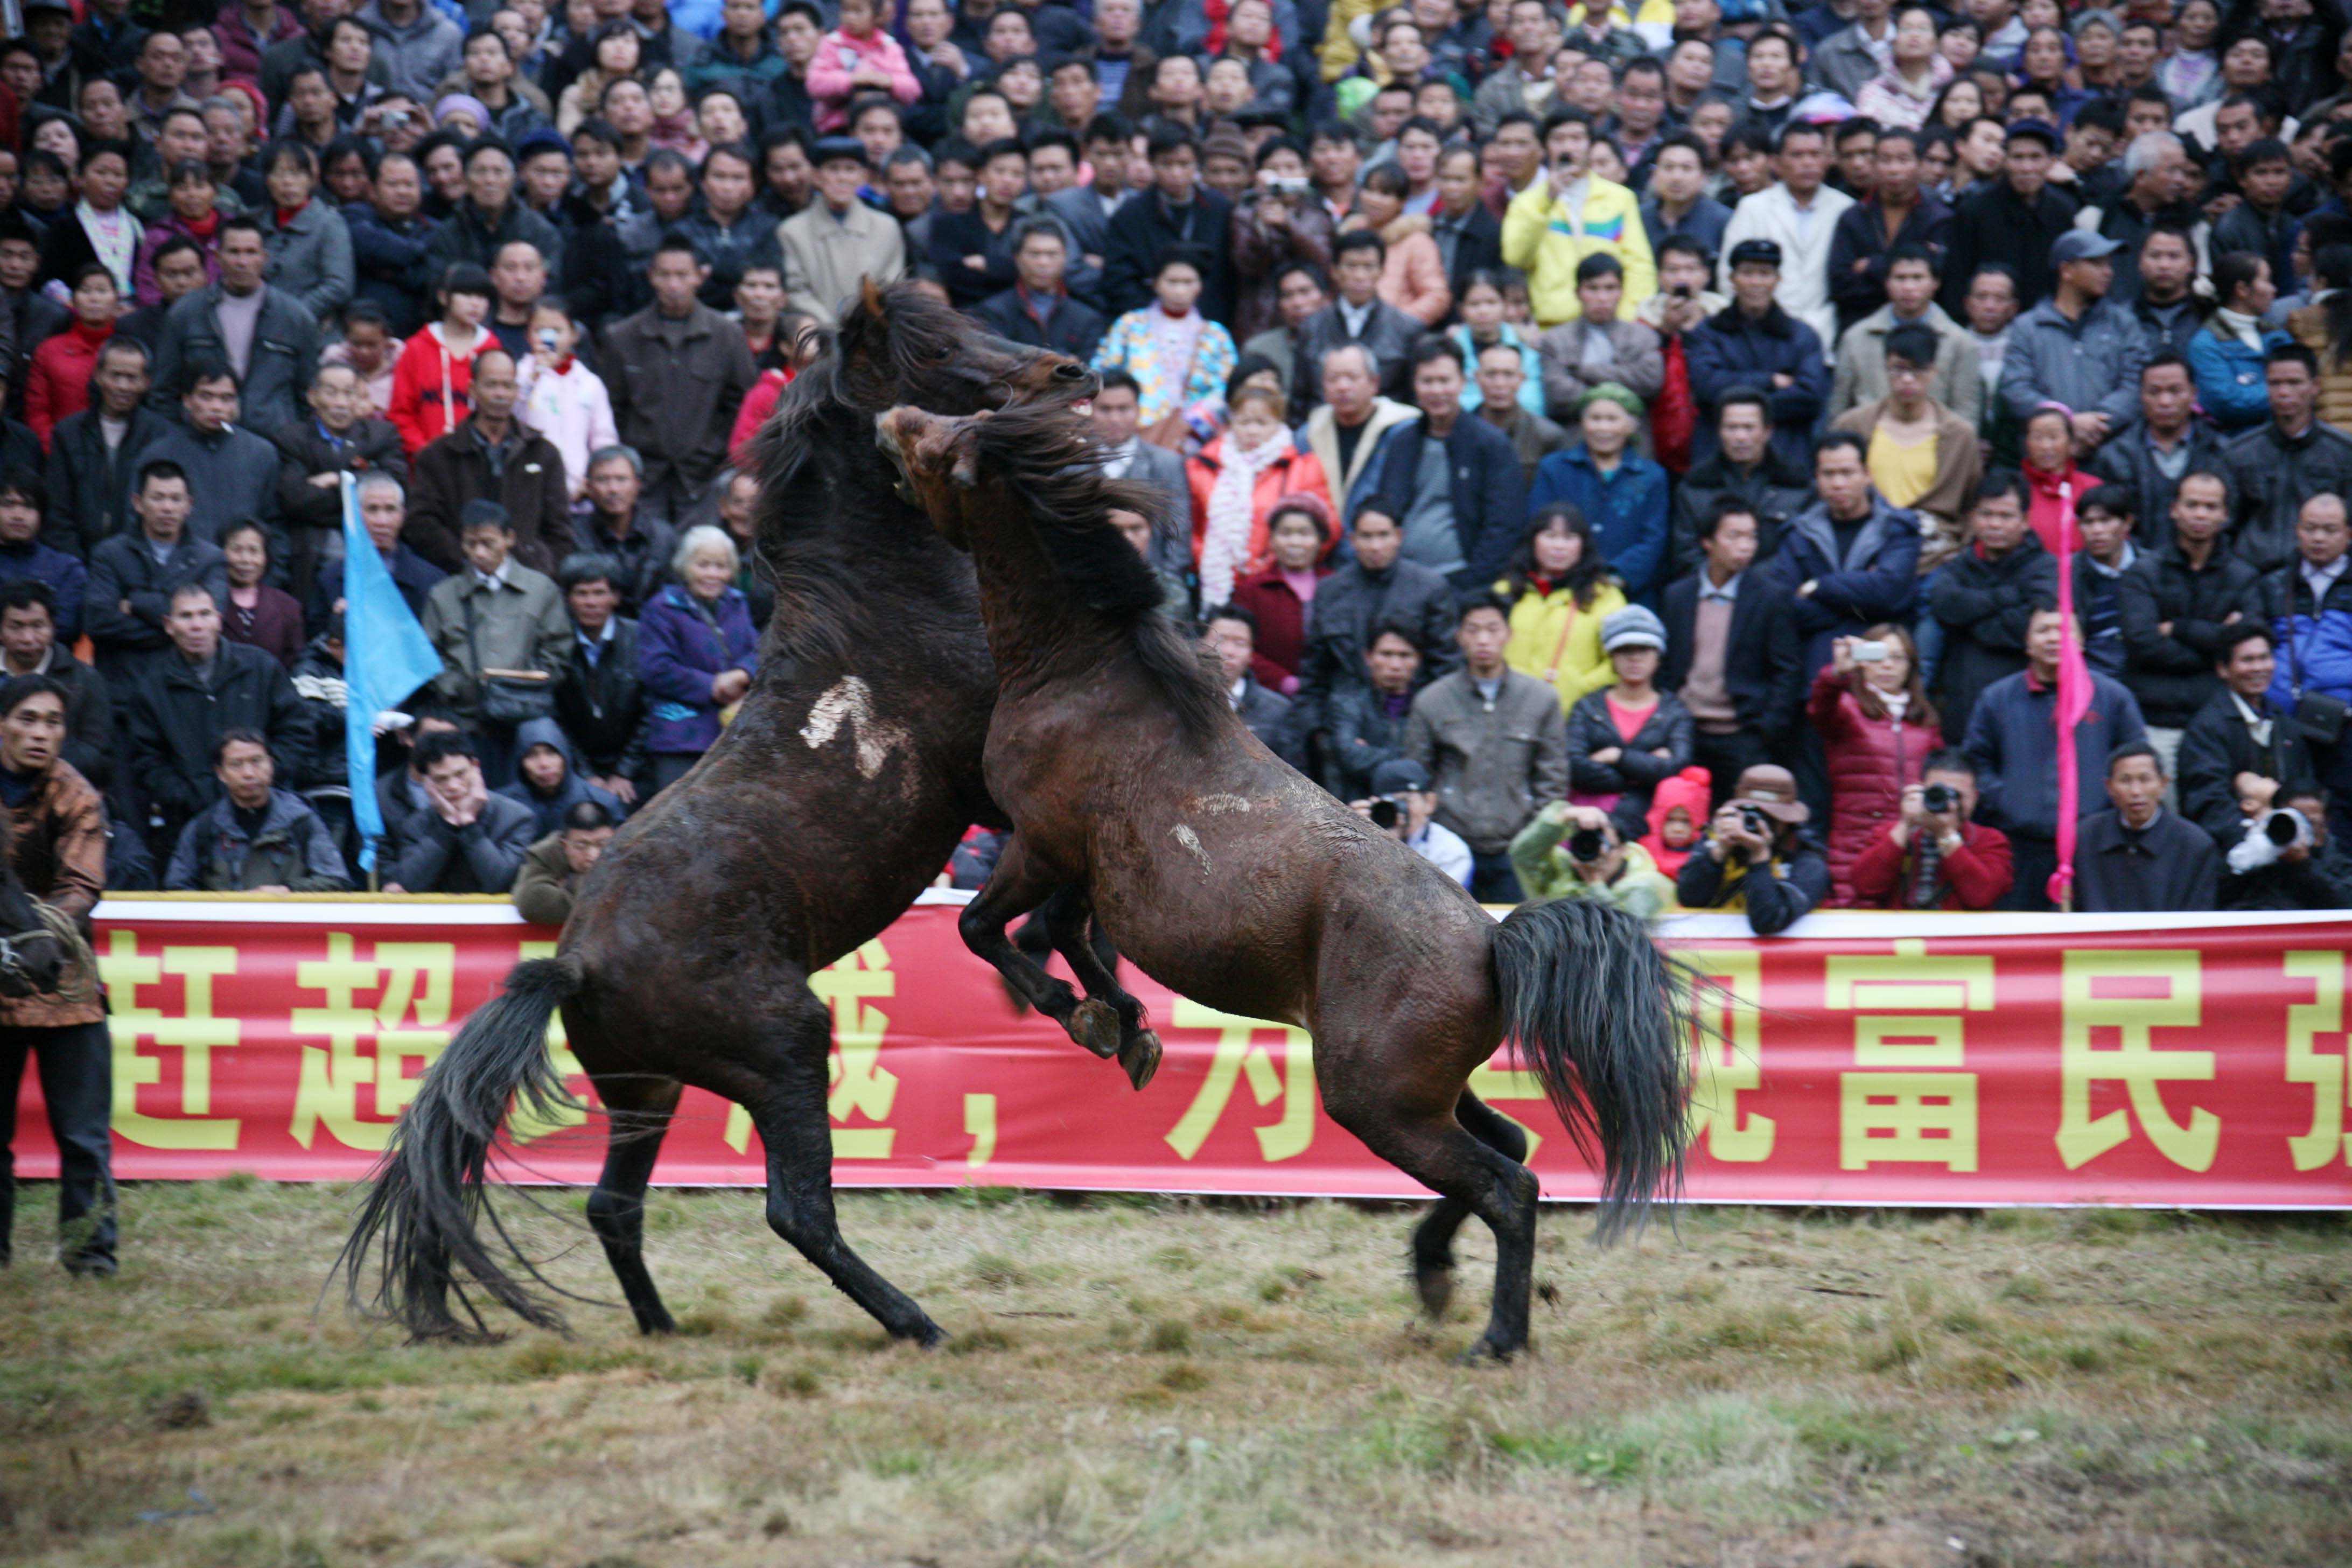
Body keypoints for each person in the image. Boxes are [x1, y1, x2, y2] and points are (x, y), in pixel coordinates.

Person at [0, 674, 113, 1278]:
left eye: (52, 723)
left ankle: (91, 1255)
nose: (41, 733)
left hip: (64, 982)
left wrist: (35, 937)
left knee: (83, 1136)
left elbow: (81, 885)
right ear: (1, 722)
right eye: (27, 719)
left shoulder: (77, 794)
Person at [1964, 603, 2150, 908]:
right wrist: (2006, 799)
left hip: (2094, 846)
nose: (2054, 638)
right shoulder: (1997, 699)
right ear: (2027, 643)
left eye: (2064, 631)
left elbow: (2136, 758)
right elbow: (1976, 762)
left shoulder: (2111, 697)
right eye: (2043, 630)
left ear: (2082, 640)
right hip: (2019, 847)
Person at [121, 582, 309, 859]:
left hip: (270, 819)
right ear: (168, 625)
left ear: (219, 621)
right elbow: (145, 760)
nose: (197, 625)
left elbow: (298, 732)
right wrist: (188, 795)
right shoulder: (151, 687)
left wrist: (261, 779)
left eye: (205, 614)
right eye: (186, 616)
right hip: (190, 827)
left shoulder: (262, 667)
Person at [1403, 591, 1569, 902]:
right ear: (1459, 637)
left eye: (1492, 629)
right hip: (1450, 846)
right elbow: (1418, 775)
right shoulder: (1432, 700)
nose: (1483, 640)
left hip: (1518, 845)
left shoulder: (1540, 699)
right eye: (1473, 629)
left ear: (1509, 634)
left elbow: (1552, 779)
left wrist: (1534, 840)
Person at [2117, 468, 2263, 778]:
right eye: (2192, 505)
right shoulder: (2143, 573)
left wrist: (2180, 629)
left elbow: (2247, 643)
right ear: (2175, 509)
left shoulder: (2244, 576)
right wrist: (2216, 645)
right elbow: (2142, 642)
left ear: (2225, 514)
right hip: (2153, 719)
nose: (2201, 514)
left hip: (2218, 721)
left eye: (2210, 507)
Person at [601, 239, 759, 526]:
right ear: (651, 277)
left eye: (682, 275)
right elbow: (612, 409)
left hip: (705, 475)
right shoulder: (623, 337)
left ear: (701, 276)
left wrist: (716, 450)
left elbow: (742, 404)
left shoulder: (727, 336)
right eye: (665, 275)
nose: (673, 284)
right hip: (643, 477)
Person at [418, 499, 569, 787]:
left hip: (526, 722)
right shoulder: (444, 596)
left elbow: (558, 651)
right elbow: (430, 657)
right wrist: (459, 687)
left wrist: (522, 688)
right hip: (467, 722)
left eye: (488, 543)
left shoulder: (540, 590)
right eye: (470, 544)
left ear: (509, 539)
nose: (479, 553)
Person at [1364, 337, 1526, 591]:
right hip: (1401, 579)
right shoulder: (1402, 442)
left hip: (1462, 581)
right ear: (1415, 386)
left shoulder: (1490, 445)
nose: (1437, 391)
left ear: (1462, 382)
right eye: (1427, 381)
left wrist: (1473, 581)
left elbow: (1504, 524)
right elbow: (1387, 508)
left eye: (1444, 380)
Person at [405, 346, 570, 576]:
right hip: (459, 581)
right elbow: (422, 524)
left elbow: (559, 529)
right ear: (473, 390)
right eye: (492, 385)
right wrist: (468, 560)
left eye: (508, 385)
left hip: (529, 586)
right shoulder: (438, 456)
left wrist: (537, 570)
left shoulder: (544, 454)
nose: (500, 394)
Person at [151, 214, 319, 438]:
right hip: (200, 439)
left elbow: (308, 397)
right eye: (234, 252)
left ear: (265, 257)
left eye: (251, 253)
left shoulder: (296, 318)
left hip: (274, 443)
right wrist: (180, 438)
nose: (242, 262)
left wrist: (295, 443)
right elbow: (163, 391)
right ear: (218, 257)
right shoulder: (186, 313)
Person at [1830, 320, 1982, 566]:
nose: (1908, 380)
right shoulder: (1853, 426)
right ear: (1885, 369)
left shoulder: (1959, 436)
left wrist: (1962, 552)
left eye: (1918, 370)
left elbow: (1972, 505)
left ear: (1934, 371)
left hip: (1935, 554)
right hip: (1864, 549)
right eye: (1898, 370)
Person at [1810, 627, 1940, 905]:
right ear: (1862, 661)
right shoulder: (1846, 708)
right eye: (1878, 656)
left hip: (1914, 844)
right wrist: (1836, 673)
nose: (1888, 665)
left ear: (1910, 667)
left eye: (1898, 658)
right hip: (1856, 841)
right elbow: (1819, 708)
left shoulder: (1926, 719)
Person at [1777, 431, 1923, 678]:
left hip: (1879, 655)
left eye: (1847, 473)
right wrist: (1860, 599)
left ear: (1867, 475)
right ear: (1816, 477)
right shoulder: (1799, 533)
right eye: (1828, 474)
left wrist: (1818, 587)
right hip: (1815, 654)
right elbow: (1785, 605)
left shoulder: (1898, 529)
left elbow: (1888, 594)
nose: (1838, 484)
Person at [1500, 106, 1655, 330]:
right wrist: (1547, 200)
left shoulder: (1621, 198)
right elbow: (1516, 257)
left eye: (1577, 138)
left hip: (1614, 323)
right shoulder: (1526, 203)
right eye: (1558, 139)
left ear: (1591, 146)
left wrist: (1629, 318)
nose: (1568, 147)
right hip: (1553, 325)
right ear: (1545, 148)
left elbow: (1639, 265)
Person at [1930, 470, 2055, 741]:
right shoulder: (1960, 565)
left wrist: (1971, 622)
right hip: (1961, 708)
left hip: (2025, 709)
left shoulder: (2045, 567)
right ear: (1973, 518)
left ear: (2025, 521)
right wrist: (2007, 598)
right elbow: (1945, 605)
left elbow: (2030, 625)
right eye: (1986, 515)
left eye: (2006, 516)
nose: (1995, 524)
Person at [1685, 238, 1830, 471]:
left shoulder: (1802, 336)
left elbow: (1810, 397)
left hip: (1787, 455)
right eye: (1747, 273)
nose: (1756, 282)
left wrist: (1737, 403)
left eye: (1765, 274)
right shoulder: (1709, 332)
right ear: (1733, 280)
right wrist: (1769, 380)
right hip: (1717, 456)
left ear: (1778, 280)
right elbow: (1707, 385)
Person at [1997, 230, 2146, 452]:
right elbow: (2016, 389)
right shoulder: (2027, 327)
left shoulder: (2124, 324)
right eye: (2096, 264)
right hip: (2047, 454)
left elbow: (2136, 384)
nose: (2108, 272)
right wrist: (2066, 422)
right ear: (2067, 270)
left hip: (2114, 451)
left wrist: (2096, 424)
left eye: (2109, 264)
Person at [271, 360, 407, 603]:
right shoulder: (291, 439)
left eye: (349, 393)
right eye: (331, 393)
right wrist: (359, 496)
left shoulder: (382, 436)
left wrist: (340, 480)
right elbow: (295, 500)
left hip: (372, 551)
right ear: (313, 397)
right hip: (314, 558)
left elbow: (395, 485)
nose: (341, 403)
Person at [84, 459, 230, 683]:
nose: (167, 508)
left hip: (185, 684)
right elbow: (98, 622)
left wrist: (136, 604)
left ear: (189, 505)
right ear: (138, 503)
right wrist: (175, 627)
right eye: (158, 498)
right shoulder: (110, 554)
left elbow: (207, 626)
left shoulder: (210, 559)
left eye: (175, 499)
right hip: (122, 684)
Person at [636, 524, 757, 794]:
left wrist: (742, 675)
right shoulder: (662, 607)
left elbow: (757, 650)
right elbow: (656, 669)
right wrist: (712, 685)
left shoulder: (737, 603)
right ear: (685, 566)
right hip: (680, 737)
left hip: (734, 733)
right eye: (703, 565)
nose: (713, 574)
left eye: (721, 566)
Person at [2178, 622, 2317, 855]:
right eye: (2248, 660)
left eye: (2264, 658)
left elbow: (2306, 791)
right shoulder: (2207, 729)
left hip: (2291, 850)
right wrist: (2259, 842)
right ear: (2223, 669)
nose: (2259, 668)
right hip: (2233, 856)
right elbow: (2207, 804)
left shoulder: (2286, 725)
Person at [1187, 384, 1330, 610]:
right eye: (1244, 422)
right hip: (1213, 582)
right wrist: (1204, 558)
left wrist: (1269, 566)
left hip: (1276, 584)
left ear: (1279, 424)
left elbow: (1326, 527)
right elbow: (1190, 527)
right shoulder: (1201, 466)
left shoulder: (1303, 466)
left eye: (1262, 423)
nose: (1252, 431)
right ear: (1231, 423)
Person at [1716, 121, 1854, 348]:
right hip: (1760, 336)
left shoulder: (1846, 209)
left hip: (1827, 334)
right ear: (1777, 163)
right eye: (1797, 155)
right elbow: (1728, 276)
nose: (1808, 163)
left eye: (1815, 155)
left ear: (1828, 160)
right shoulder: (1753, 208)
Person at [1564, 605, 1692, 842]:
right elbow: (1574, 766)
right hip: (1587, 817)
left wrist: (1616, 757)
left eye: (1644, 649)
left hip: (1652, 825)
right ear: (1611, 657)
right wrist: (1645, 773)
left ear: (1657, 656)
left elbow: (1676, 769)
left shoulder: (1675, 712)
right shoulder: (1587, 707)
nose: (1634, 658)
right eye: (1624, 650)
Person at [163, 728, 349, 890]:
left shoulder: (301, 821)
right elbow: (178, 887)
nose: (249, 773)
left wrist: (289, 891)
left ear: (271, 764)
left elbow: (336, 880)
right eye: (236, 765)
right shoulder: (204, 827)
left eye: (256, 761)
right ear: (221, 773)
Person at [2224, 344, 2352, 575]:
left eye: (2294, 383)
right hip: (2254, 576)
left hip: (2325, 577)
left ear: (2315, 386)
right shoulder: (2239, 454)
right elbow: (2225, 527)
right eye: (2275, 384)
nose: (2284, 393)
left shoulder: (2344, 452)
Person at [2088, 354, 2232, 544]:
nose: (2165, 401)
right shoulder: (2115, 455)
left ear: (2194, 394)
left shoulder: (2221, 451)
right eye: (2154, 392)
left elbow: (2231, 520)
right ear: (2141, 396)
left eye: (2175, 391)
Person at [1940, 118, 2079, 317]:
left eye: (2035, 158)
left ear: (2051, 162)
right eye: (2018, 157)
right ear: (2005, 161)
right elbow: (1956, 280)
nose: (2026, 168)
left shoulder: (2063, 211)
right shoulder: (1974, 211)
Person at [1829, 245, 1982, 426]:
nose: (1909, 287)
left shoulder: (1961, 343)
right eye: (1900, 278)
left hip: (1936, 444)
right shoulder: (1856, 338)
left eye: (1918, 278)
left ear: (1935, 283)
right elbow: (1838, 409)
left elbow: (1966, 413)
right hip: (1870, 443)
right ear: (1887, 282)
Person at [46, 337, 171, 557]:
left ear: (146, 382)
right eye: (115, 376)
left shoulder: (160, 435)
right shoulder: (68, 433)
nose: (123, 386)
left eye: (132, 378)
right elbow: (57, 513)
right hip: (77, 562)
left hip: (139, 562)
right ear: (98, 376)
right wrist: (77, 565)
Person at [1497, 505, 1628, 716]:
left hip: (1574, 715)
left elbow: (1618, 659)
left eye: (1569, 538)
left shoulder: (1605, 596)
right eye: (1550, 536)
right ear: (1533, 541)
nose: (1559, 546)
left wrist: (1579, 688)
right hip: (1506, 712)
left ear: (1583, 545)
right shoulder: (1505, 591)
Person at [1672, 761, 1830, 934]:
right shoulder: (1719, 841)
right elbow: (1690, 899)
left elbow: (1768, 922)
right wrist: (1718, 852)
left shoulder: (1808, 862)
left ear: (1788, 821)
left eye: (1771, 817)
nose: (1758, 823)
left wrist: (1759, 856)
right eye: (1751, 815)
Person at [1847, 746, 2015, 908]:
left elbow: (1981, 897)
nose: (1950, 804)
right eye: (1938, 793)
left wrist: (1946, 836)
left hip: (1956, 934)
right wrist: (1905, 825)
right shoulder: (1892, 832)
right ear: (1921, 790)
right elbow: (1865, 887)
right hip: (1899, 932)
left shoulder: (1990, 841)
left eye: (1957, 796)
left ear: (1975, 798)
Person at [144, 358, 283, 552]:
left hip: (241, 573)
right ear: (187, 400)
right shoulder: (160, 453)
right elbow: (139, 520)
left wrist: (271, 577)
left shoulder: (261, 454)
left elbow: (275, 525)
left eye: (226, 398)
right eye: (206, 397)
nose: (216, 407)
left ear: (237, 404)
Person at [380, 727, 537, 893]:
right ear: (427, 783)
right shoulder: (417, 826)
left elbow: (502, 883)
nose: (453, 786)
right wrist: (446, 829)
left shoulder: (517, 818)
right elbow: (407, 885)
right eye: (441, 779)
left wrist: (469, 825)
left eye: (460, 774)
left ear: (476, 767)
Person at [2074, 741, 2220, 912]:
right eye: (2125, 780)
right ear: (2109, 787)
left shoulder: (2195, 846)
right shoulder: (2085, 838)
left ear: (2163, 784)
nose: (2136, 791)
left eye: (2145, 780)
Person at [778, 137, 905, 328]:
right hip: (819, 333)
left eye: (850, 169)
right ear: (817, 177)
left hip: (872, 333)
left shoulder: (886, 228)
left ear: (864, 177)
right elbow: (796, 291)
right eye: (833, 169)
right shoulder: (791, 231)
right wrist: (831, 326)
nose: (842, 178)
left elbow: (891, 286)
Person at [0, 580, 113, 791]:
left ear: (53, 628)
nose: (27, 638)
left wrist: (36, 758)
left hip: (61, 794)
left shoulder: (85, 679)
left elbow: (98, 755)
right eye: (16, 627)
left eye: (38, 626)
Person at [1534, 253, 1665, 423]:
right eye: (1593, 289)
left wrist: (1585, 371)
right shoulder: (1556, 340)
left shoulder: (1643, 337)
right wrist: (1617, 394)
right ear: (1578, 292)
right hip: (1575, 431)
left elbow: (1650, 382)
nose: (1602, 298)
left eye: (1610, 288)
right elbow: (1558, 394)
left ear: (1621, 292)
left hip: (1632, 434)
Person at [1226, 498, 1336, 697]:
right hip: (1270, 696)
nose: (1295, 542)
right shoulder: (1252, 590)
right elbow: (1241, 645)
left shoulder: (1337, 585)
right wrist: (1284, 681)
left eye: (1304, 534)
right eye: (1285, 533)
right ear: (1272, 540)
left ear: (1320, 540)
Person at [1090, 371, 1193, 579]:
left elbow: (1178, 534)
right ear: (1091, 410)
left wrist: (1166, 586)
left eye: (1124, 409)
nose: (1115, 419)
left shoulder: (1166, 464)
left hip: (1153, 584)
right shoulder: (1073, 466)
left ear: (1138, 410)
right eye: (1105, 409)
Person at [387, 258, 493, 456]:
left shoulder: (492, 349)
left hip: (480, 465)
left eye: (482, 296)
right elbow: (401, 414)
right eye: (467, 294)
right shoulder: (416, 348)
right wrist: (425, 453)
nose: (476, 303)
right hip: (425, 467)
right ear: (444, 297)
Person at [1508, 797, 1678, 915]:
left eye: (1606, 846)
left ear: (1624, 850)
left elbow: (1627, 934)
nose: (1599, 855)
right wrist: (1564, 815)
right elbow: (1521, 855)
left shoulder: (1646, 884)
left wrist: (1595, 885)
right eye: (1589, 845)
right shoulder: (1561, 870)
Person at [1299, 344, 1417, 508]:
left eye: (1352, 378)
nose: (1342, 387)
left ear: (1374, 383)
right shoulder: (1307, 436)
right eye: (1333, 379)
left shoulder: (1404, 430)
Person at [973, 217, 1106, 361]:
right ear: (1017, 258)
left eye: (1052, 254)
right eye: (1034, 254)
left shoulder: (1087, 318)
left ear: (1065, 258)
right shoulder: (993, 312)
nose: (1043, 262)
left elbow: (1093, 372)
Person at [2187, 251, 2290, 435]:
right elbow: (2228, 403)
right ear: (2242, 290)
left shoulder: (2278, 336)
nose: (2273, 290)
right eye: (2266, 281)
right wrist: (2284, 392)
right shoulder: (2205, 344)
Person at [1349, 755, 1473, 889]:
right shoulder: (1366, 845)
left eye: (1405, 801)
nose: (1398, 812)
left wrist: (1392, 850)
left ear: (1429, 803)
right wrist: (1350, 835)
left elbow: (1435, 906)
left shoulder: (1449, 850)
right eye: (1388, 804)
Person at [1201, 603, 1300, 767]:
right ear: (1200, 643)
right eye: (1219, 640)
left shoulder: (1277, 711)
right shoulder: (1177, 703)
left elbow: (1293, 773)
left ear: (1251, 655)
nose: (1228, 651)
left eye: (1239, 643)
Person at [496, 715, 626, 836]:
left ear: (565, 756)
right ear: (520, 763)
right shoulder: (504, 806)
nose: (544, 764)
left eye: (551, 753)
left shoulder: (604, 803)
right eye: (532, 755)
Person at [0, 474, 85, 640]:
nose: (18, 515)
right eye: (8, 504)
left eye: (29, 506)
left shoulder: (66, 569)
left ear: (42, 515)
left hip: (50, 663)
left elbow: (67, 627)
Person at [512, 795, 615, 924]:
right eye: (581, 846)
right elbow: (532, 903)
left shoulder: (628, 850)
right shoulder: (546, 853)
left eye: (602, 844)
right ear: (565, 846)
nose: (593, 856)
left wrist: (572, 883)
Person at [217, 519, 303, 669]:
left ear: (266, 556)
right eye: (236, 550)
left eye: (254, 551)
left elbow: (295, 663)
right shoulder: (209, 602)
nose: (245, 560)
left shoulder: (288, 607)